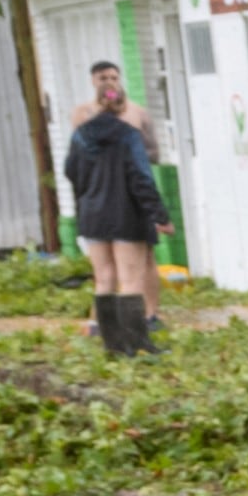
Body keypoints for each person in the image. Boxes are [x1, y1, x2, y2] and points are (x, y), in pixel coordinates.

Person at [60, 64, 168, 356]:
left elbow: (71, 171)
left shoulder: (80, 136)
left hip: (92, 214)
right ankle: (138, 343)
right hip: (125, 214)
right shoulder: (129, 135)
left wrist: (88, 196)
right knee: (131, 278)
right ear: (121, 106)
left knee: (104, 278)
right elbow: (142, 178)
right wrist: (160, 215)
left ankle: (112, 344)